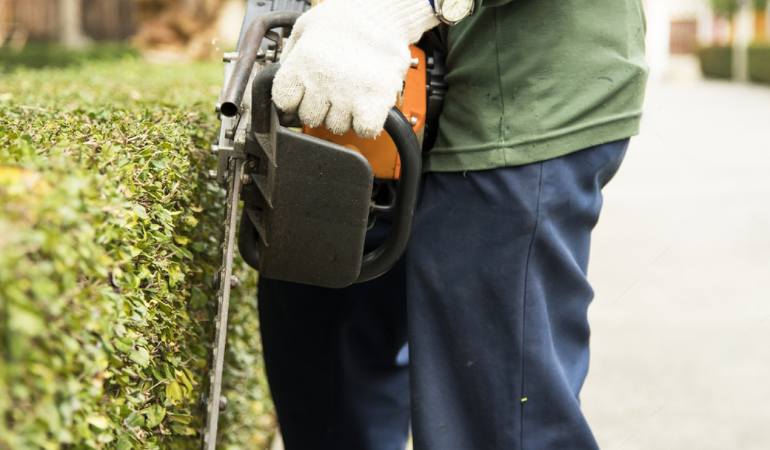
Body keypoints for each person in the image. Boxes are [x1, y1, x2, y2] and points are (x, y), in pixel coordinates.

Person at [258, 0, 648, 448]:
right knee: (327, 383)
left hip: (517, 86)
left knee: (495, 419)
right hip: (346, 70)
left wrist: (397, 8)